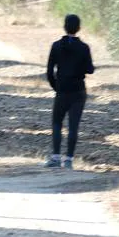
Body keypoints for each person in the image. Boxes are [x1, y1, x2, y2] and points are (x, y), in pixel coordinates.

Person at [46, 14, 95, 169]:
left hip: (62, 90)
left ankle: (55, 157)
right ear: (78, 28)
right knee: (73, 125)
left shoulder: (56, 46)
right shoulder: (84, 47)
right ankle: (69, 159)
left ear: (64, 26)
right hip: (78, 90)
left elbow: (49, 71)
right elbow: (90, 69)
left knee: (56, 122)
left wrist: (56, 85)